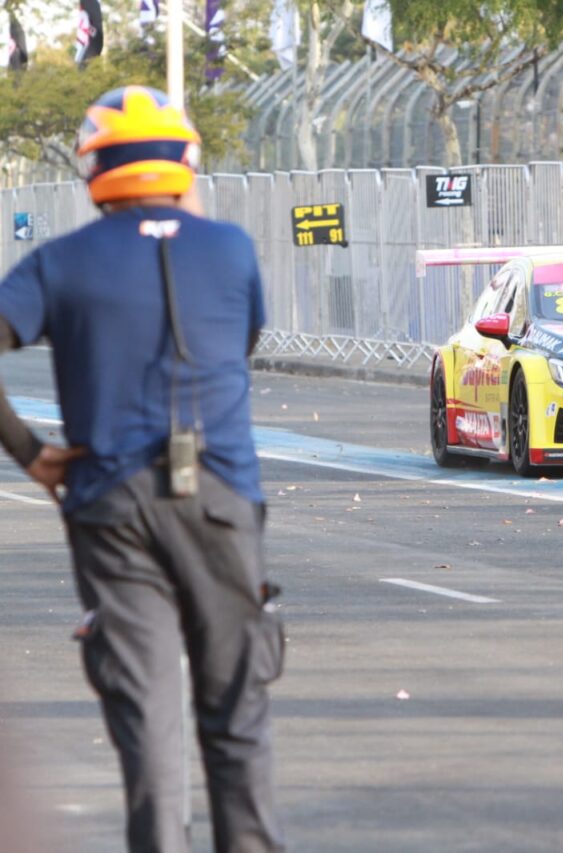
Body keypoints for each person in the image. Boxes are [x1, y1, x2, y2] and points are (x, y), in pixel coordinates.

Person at [0, 85, 285, 852]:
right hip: (223, 501)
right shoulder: (230, 249)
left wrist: (28, 452)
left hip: (110, 504)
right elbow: (244, 342)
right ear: (184, 160)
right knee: (237, 714)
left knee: (149, 723)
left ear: (94, 166)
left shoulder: (59, 262)